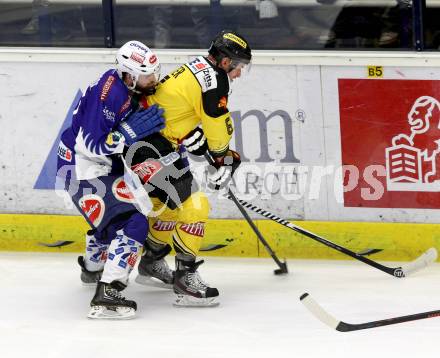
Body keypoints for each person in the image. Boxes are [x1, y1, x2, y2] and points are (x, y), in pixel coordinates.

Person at [126, 30, 252, 307]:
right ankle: (185, 278)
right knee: (196, 206)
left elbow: (175, 105)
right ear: (225, 62)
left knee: (167, 205)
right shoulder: (216, 82)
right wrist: (222, 157)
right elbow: (217, 124)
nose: (239, 73)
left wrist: (185, 133)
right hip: (150, 147)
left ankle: (151, 261)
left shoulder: (198, 65)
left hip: (149, 143)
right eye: (238, 66)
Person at [56, 40, 169, 319]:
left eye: (155, 72)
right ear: (129, 75)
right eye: (147, 75)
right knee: (133, 221)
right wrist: (126, 134)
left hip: (103, 166)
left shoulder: (126, 86)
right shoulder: (110, 95)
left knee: (127, 210)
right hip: (81, 169)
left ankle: (93, 269)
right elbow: (90, 145)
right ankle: (108, 292)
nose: (153, 80)